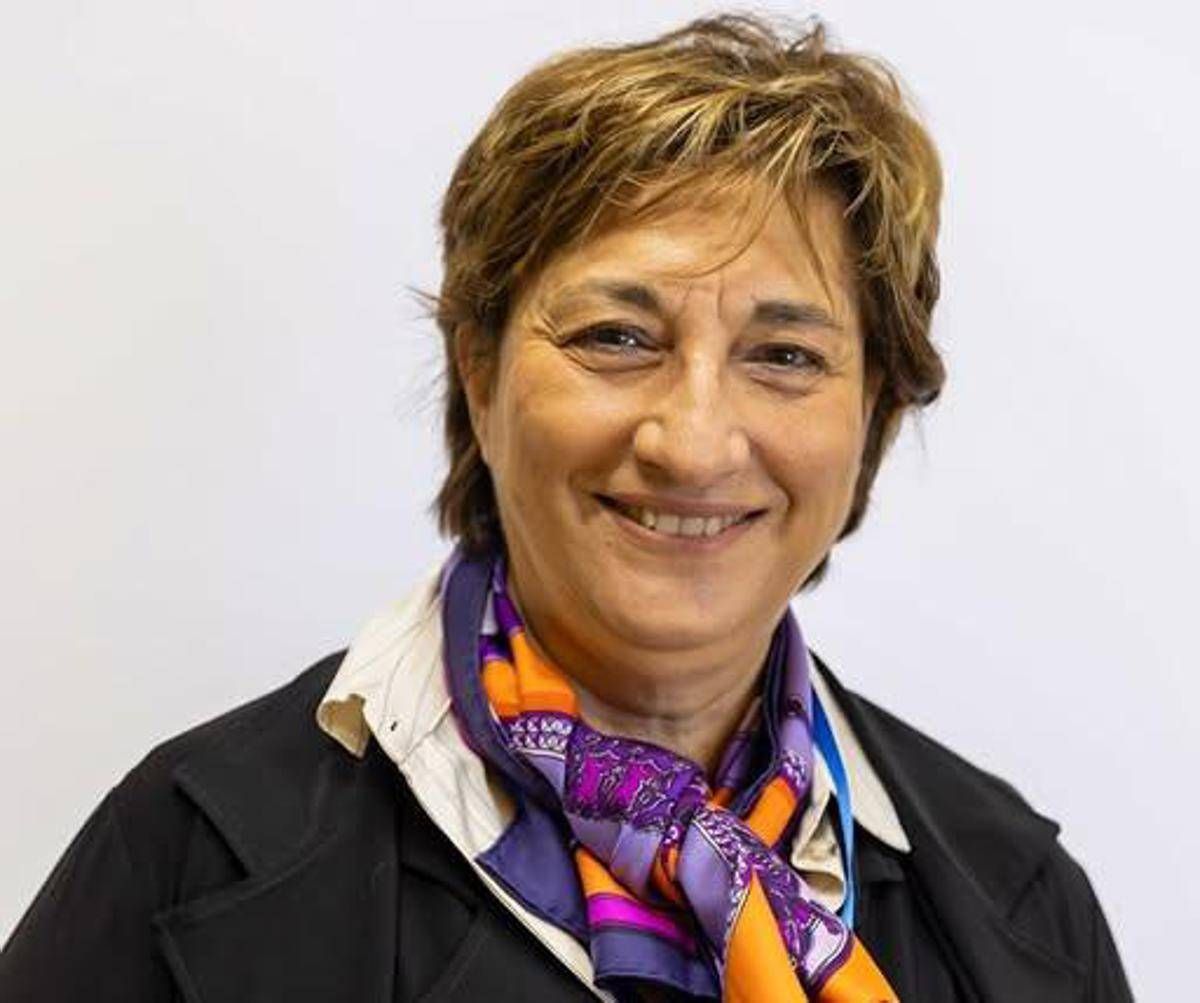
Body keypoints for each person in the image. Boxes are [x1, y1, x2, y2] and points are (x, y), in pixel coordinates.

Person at [0, 14, 1131, 1002]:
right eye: (617, 337)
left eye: (785, 354)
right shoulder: (188, 856)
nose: (694, 440)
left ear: (872, 413)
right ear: (480, 374)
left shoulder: (1020, 904)